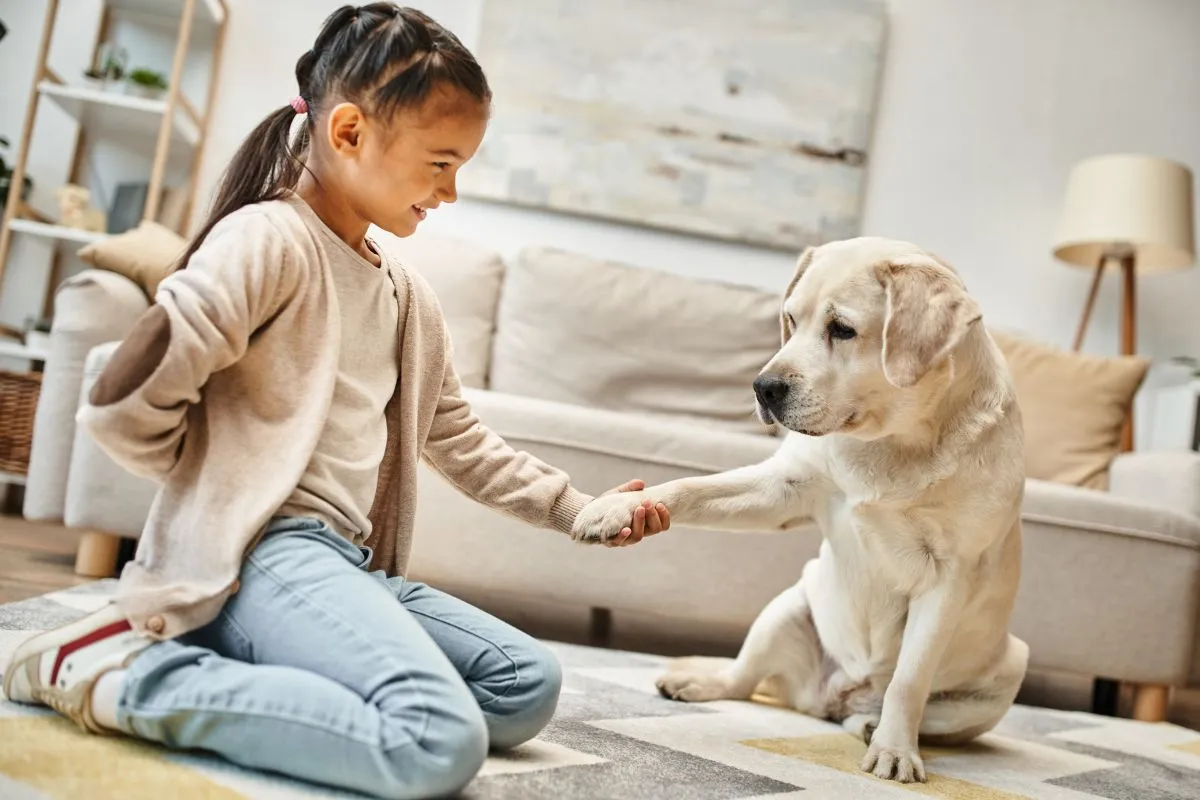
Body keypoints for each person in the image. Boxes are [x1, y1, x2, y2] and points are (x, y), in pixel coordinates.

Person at [2, 5, 671, 798]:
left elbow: (458, 437)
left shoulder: (406, 295)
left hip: (349, 563)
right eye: (440, 163)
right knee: (434, 739)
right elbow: (123, 401)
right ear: (349, 132)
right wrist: (212, 496)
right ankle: (121, 674)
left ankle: (277, 664)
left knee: (523, 686)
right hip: (261, 555)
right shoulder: (267, 242)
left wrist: (576, 510)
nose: (451, 191)